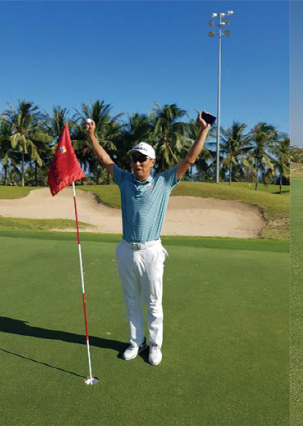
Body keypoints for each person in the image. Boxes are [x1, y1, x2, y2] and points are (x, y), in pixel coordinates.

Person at [85, 113, 211, 365]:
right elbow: (104, 158)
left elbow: (190, 158)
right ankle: (136, 342)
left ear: (152, 161)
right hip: (125, 249)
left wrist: (204, 130)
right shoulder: (124, 180)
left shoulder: (165, 181)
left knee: (153, 302)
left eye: (142, 159)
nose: (136, 163)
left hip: (151, 250)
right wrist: (91, 136)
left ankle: (155, 346)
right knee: (130, 299)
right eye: (133, 158)